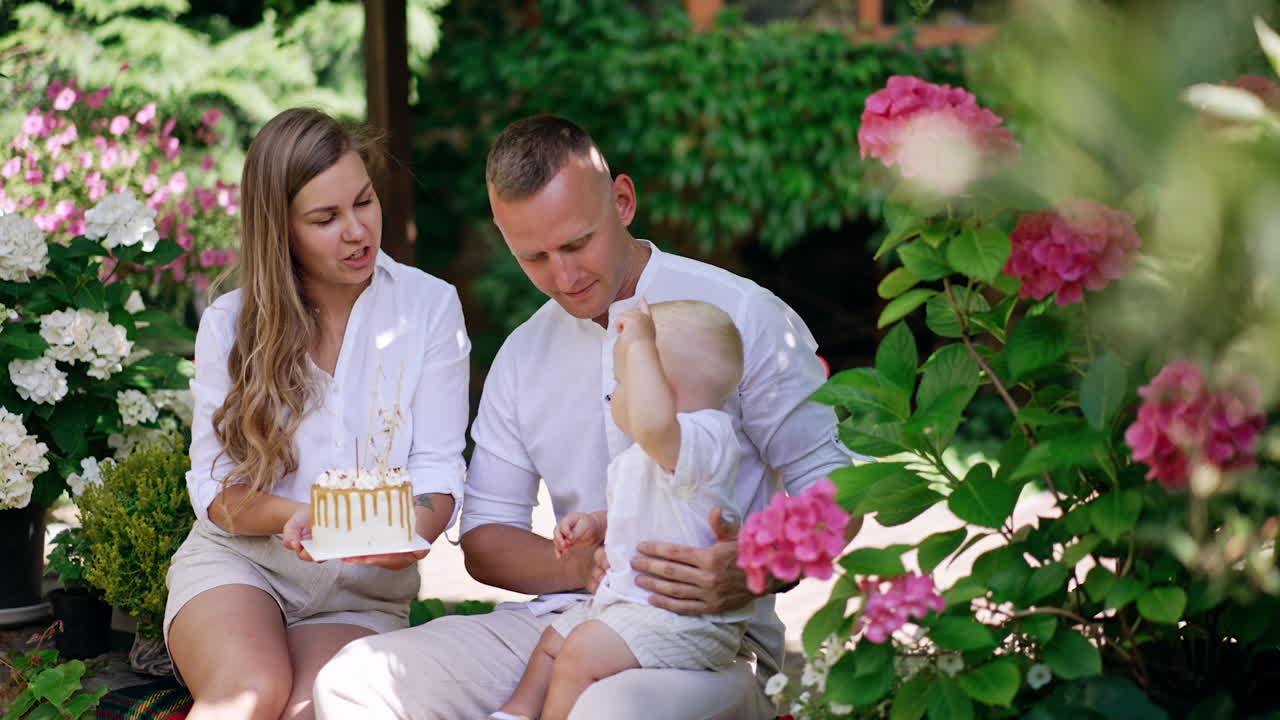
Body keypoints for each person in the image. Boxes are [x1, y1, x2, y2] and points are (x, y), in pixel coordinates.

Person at [313, 114, 862, 720]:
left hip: (708, 641)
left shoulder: (743, 314)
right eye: (536, 257)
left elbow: (840, 485)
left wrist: (753, 567)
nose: (565, 276)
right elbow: (486, 539)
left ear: (622, 201)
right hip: (567, 623)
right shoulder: (523, 353)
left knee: (607, 708)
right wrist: (579, 563)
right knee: (354, 682)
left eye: (577, 244)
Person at [164, 107, 471, 720]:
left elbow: (439, 473)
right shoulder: (231, 322)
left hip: (362, 597)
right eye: (326, 218)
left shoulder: (431, 308)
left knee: (314, 711)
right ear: (282, 230)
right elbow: (216, 490)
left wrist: (407, 540)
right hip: (241, 565)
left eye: (364, 202)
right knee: (247, 695)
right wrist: (305, 517)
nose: (357, 231)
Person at [488, 298, 752, 720]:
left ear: (664, 393)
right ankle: (516, 713)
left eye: (622, 384)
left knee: (581, 651)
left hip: (687, 623)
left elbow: (653, 423)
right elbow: (641, 512)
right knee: (556, 638)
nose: (611, 397)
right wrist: (595, 524)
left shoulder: (704, 439)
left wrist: (642, 343)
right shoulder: (644, 457)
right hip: (633, 607)